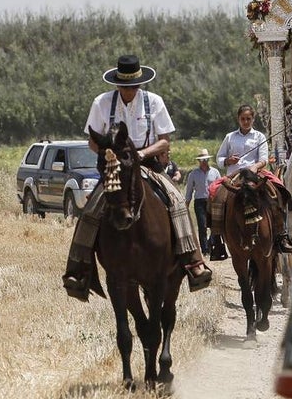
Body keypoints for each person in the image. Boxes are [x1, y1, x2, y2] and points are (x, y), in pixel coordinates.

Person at [62, 54, 213, 300]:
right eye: (124, 86)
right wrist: (108, 154)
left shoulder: (154, 103)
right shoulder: (101, 103)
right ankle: (78, 270)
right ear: (117, 84)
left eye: (132, 86)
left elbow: (164, 140)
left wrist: (141, 154)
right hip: (115, 168)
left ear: (139, 84)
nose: (129, 90)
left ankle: (194, 260)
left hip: (148, 164)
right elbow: (92, 140)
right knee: (90, 210)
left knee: (176, 202)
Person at [209, 105, 292, 254]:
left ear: (253, 119)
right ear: (238, 119)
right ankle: (216, 238)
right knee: (215, 193)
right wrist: (228, 160)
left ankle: (281, 235)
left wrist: (255, 167)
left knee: (279, 191)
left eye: (248, 119)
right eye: (243, 119)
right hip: (234, 175)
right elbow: (219, 158)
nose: (246, 121)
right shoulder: (230, 137)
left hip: (255, 173)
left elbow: (263, 159)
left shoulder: (259, 136)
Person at [184, 148, 219, 257]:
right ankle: (204, 249)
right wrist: (187, 203)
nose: (204, 162)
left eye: (206, 160)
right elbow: (189, 190)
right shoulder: (193, 174)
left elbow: (220, 186)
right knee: (202, 225)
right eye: (202, 160)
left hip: (212, 200)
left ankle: (212, 243)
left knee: (215, 225)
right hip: (199, 201)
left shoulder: (215, 172)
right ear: (199, 161)